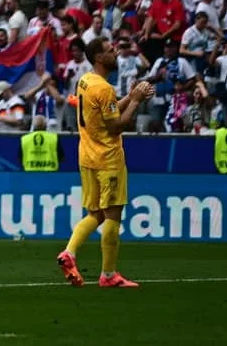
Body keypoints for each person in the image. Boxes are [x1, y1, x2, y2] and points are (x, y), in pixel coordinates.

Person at [58, 37, 155, 289]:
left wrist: (130, 96)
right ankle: (108, 274)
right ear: (100, 58)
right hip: (107, 158)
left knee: (95, 214)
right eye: (111, 51)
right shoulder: (104, 88)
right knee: (112, 215)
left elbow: (104, 112)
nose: (115, 53)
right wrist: (136, 101)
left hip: (87, 156)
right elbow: (116, 126)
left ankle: (69, 252)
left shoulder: (85, 80)